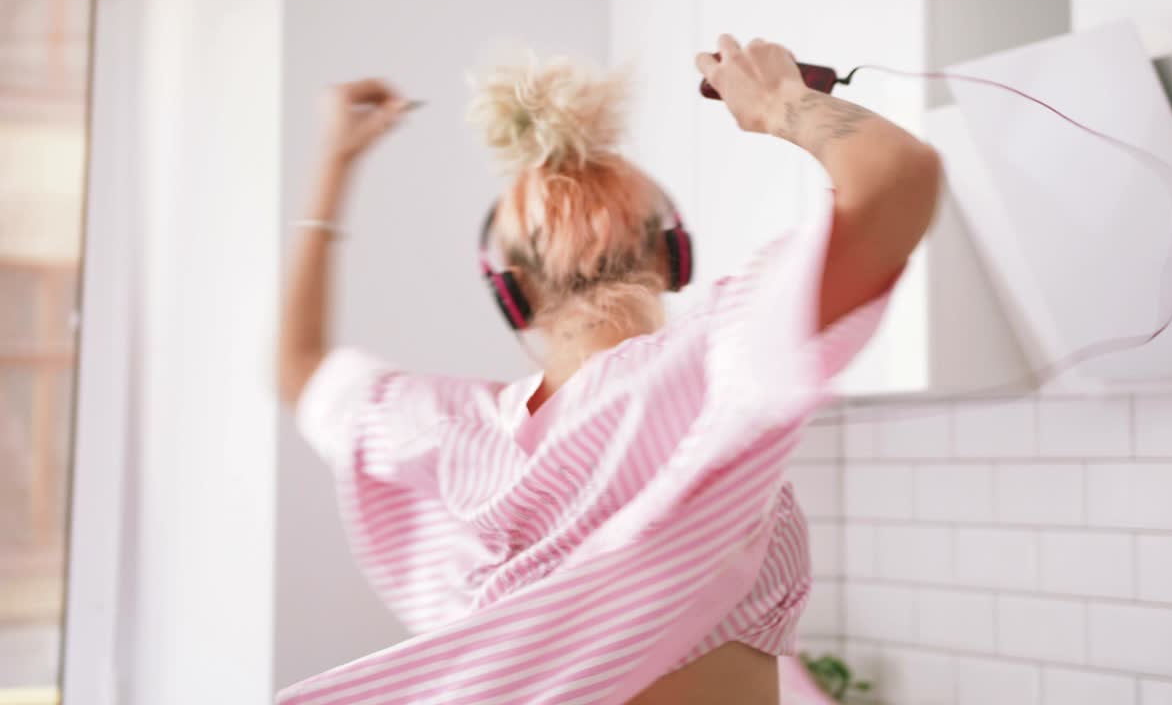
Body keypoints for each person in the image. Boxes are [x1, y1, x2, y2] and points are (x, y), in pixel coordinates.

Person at [276, 35, 939, 705]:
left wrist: (333, 162)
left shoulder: (446, 433)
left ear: (514, 295)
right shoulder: (715, 358)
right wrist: (779, 102)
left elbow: (297, 367)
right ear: (673, 254)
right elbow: (894, 175)